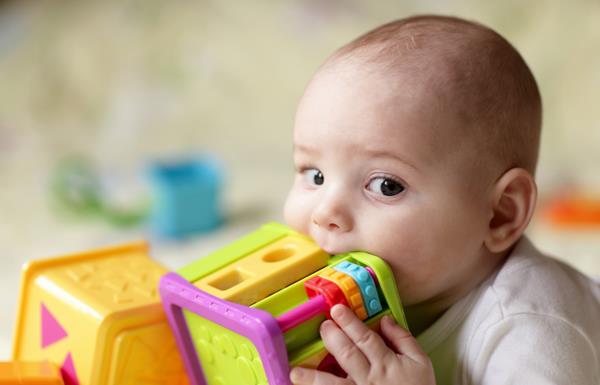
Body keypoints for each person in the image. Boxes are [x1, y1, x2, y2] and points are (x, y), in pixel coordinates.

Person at [283, 15, 600, 385]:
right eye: (314, 175)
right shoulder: (376, 299)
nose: (325, 213)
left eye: (387, 185)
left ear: (499, 214)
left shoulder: (530, 329)